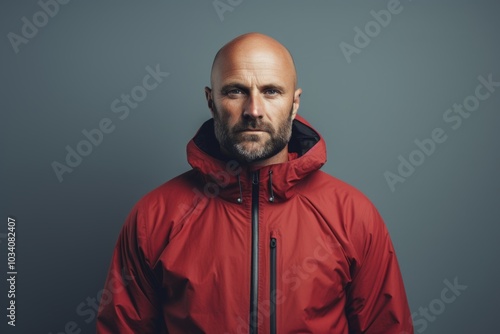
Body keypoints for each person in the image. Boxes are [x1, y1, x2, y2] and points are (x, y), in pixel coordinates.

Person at [96, 32, 413, 334]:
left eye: (271, 91)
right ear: (211, 101)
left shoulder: (352, 215)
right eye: (235, 91)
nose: (254, 111)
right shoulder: (154, 217)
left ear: (295, 102)